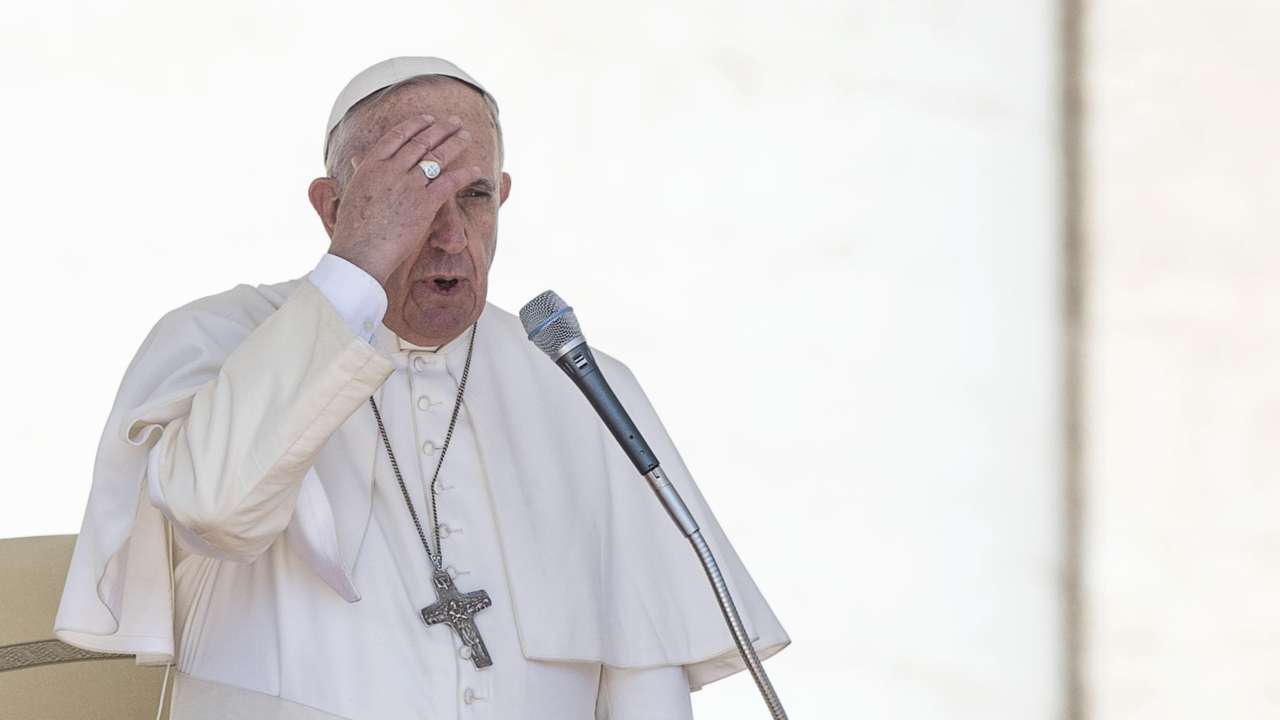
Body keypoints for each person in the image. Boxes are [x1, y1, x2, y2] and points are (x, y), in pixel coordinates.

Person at [54, 56, 788, 719]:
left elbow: (643, 669)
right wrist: (356, 269)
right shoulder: (217, 336)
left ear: (501, 196)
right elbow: (212, 507)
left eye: (472, 197)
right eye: (408, 195)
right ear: (332, 208)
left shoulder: (575, 380)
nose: (446, 235)